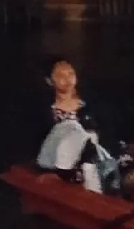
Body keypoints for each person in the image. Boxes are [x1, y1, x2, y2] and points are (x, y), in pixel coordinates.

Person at [34, 57, 124, 192]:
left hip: (94, 161)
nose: (68, 79)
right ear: (49, 81)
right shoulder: (45, 110)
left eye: (71, 74)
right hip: (60, 166)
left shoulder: (91, 104)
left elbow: (107, 133)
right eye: (61, 76)